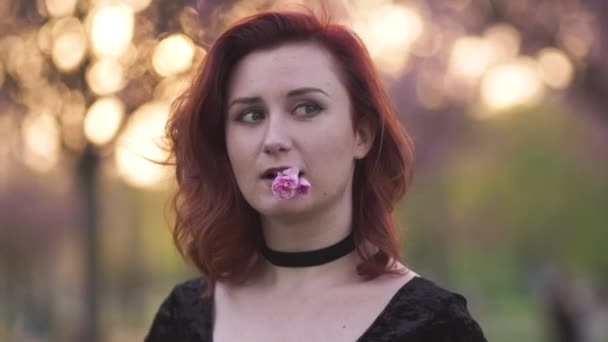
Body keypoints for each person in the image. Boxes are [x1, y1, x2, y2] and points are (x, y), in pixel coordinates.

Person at [145, 9, 487, 342]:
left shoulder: (436, 327)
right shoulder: (184, 318)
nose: (274, 139)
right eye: (250, 115)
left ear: (361, 135)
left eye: (307, 108)